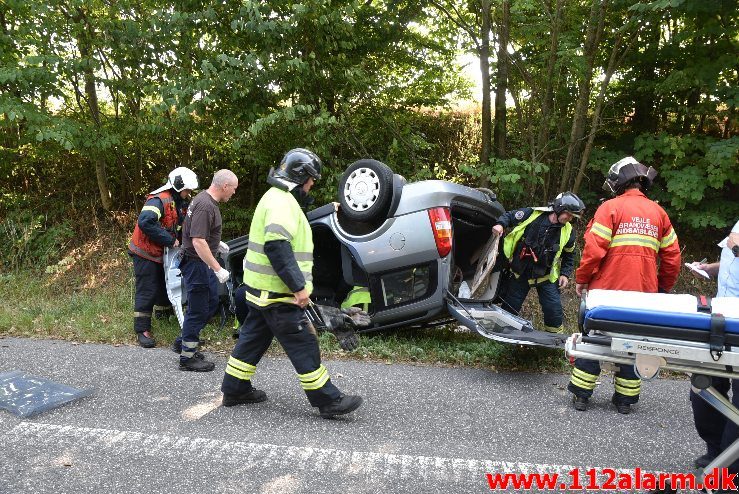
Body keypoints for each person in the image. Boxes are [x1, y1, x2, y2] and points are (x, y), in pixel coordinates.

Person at [220, 148, 363, 418]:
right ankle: (328, 400)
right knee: (304, 344)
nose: (311, 186)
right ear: (300, 176)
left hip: (260, 291)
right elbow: (277, 247)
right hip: (278, 294)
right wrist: (298, 288)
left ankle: (234, 388)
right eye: (310, 180)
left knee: (251, 339)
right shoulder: (282, 202)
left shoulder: (274, 198)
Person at [568, 156, 681, 414]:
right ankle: (625, 401)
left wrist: (582, 279)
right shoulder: (659, 213)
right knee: (634, 343)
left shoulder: (609, 208)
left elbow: (593, 251)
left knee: (594, 340)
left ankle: (582, 396)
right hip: (644, 295)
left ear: (618, 182)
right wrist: (662, 289)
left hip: (606, 294)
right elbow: (672, 257)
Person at [493, 192, 585, 333]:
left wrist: (565, 274)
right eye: (569, 214)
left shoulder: (568, 232)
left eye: (573, 216)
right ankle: (500, 337)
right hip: (521, 273)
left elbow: (569, 254)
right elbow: (509, 216)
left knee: (553, 311)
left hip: (545, 277)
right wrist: (500, 225)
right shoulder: (532, 214)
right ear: (559, 208)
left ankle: (553, 342)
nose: (570, 218)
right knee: (509, 310)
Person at [688, 220, 739, 470]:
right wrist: (711, 268)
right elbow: (732, 260)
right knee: (703, 388)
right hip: (721, 319)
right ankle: (716, 450)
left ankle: (730, 467)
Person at [176, 169, 238, 372]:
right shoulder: (205, 205)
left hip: (199, 261)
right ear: (225, 186)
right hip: (196, 263)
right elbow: (198, 241)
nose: (234, 193)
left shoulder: (204, 199)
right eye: (233, 189)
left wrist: (216, 242)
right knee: (198, 308)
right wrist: (218, 268)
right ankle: (187, 357)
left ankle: (183, 340)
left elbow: (198, 231)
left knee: (210, 301)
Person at [128, 167, 198, 348]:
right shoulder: (159, 200)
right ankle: (142, 329)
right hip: (144, 252)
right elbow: (145, 222)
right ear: (178, 185)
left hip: (160, 253)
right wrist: (170, 240)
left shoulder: (179, 201)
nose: (188, 193)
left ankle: (163, 314)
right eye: (187, 190)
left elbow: (181, 225)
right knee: (147, 289)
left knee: (164, 283)